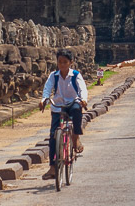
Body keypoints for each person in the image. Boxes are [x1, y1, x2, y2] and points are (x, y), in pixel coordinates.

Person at [39, 48, 88, 180]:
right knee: (53, 136)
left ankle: (76, 137)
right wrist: (44, 99)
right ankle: (52, 167)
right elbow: (47, 88)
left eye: (65, 62)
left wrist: (83, 99)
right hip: (58, 105)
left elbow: (82, 88)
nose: (62, 65)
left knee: (77, 111)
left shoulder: (76, 75)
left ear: (70, 62)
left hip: (73, 103)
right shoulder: (53, 76)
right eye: (60, 62)